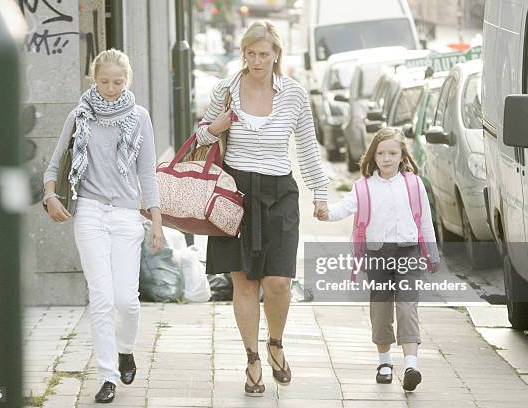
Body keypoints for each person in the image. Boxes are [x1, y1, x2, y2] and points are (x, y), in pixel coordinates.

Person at [196, 21, 329, 396]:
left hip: (279, 192)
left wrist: (320, 194)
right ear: (244, 54)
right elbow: (201, 135)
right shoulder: (226, 90)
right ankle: (252, 357)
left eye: (264, 54)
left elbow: (307, 147)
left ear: (276, 56)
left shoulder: (293, 95)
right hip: (234, 193)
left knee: (278, 281)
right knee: (244, 281)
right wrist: (216, 126)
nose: (257, 61)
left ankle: (276, 343)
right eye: (251, 54)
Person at [43, 49, 163, 403]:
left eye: (118, 82)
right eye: (104, 82)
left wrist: (156, 221)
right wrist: (50, 196)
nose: (110, 89)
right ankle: (107, 375)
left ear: (128, 81)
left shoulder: (139, 118)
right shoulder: (79, 116)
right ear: (93, 79)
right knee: (102, 298)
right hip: (90, 213)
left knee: (127, 301)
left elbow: (147, 174)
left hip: (127, 216)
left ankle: (126, 349)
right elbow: (53, 167)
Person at [316, 127, 440, 392]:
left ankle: (411, 366)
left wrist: (431, 252)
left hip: (408, 252)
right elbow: (343, 208)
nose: (386, 158)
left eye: (392, 153)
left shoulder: (414, 183)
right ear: (373, 155)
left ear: (402, 155)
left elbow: (425, 220)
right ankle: (384, 363)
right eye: (381, 153)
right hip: (377, 255)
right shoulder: (364, 187)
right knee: (381, 310)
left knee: (408, 307)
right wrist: (326, 212)